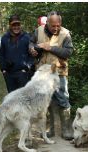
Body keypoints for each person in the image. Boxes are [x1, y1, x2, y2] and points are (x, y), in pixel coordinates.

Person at [29, 11, 74, 140]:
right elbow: (31, 43)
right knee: (46, 101)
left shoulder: (65, 34)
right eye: (53, 25)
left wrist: (50, 48)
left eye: (58, 25)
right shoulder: (38, 30)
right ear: (47, 23)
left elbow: (68, 52)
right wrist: (32, 48)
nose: (55, 28)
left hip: (59, 73)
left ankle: (66, 130)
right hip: (42, 73)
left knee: (63, 100)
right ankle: (50, 129)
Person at [0, 14, 34, 93]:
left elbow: (32, 54)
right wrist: (3, 69)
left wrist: (27, 67)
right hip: (8, 73)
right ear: (10, 26)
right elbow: (2, 54)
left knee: (22, 96)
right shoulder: (4, 38)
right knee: (11, 96)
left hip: (22, 73)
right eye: (14, 25)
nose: (16, 27)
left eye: (18, 24)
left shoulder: (26, 37)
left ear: (20, 25)